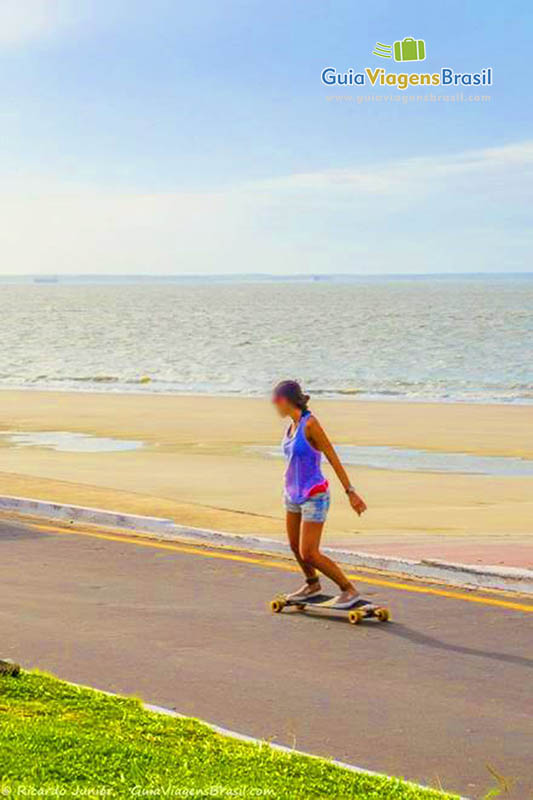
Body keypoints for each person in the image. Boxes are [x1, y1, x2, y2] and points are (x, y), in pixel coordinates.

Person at [272, 380, 367, 608]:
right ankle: (312, 584)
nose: (274, 406)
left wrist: (350, 492)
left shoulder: (310, 424)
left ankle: (349, 590)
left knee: (310, 553)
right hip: (292, 495)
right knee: (295, 547)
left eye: (275, 401)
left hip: (314, 495)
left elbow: (332, 457)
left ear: (285, 401)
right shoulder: (291, 426)